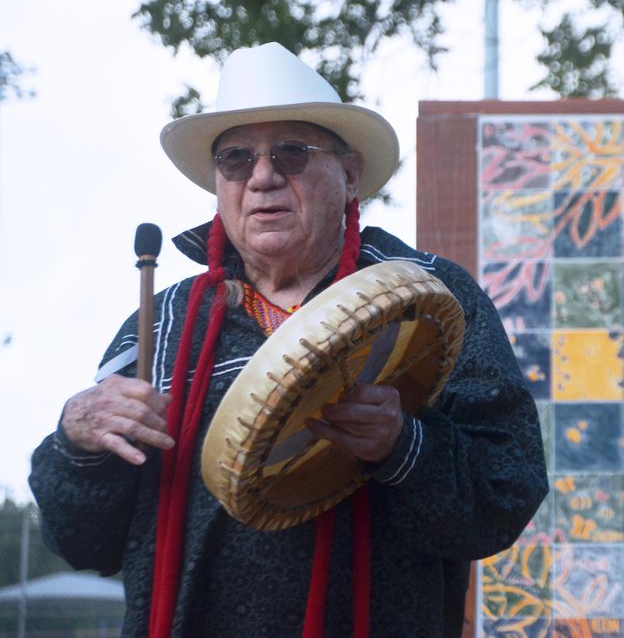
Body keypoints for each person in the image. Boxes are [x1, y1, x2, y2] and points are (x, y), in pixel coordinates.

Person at [28, 42, 549, 637]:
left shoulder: (429, 297)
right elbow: (83, 542)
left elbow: (504, 495)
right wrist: (78, 441)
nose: (263, 177)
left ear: (350, 176)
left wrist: (403, 445)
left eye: (292, 154)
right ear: (219, 185)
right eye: (236, 159)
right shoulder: (161, 323)